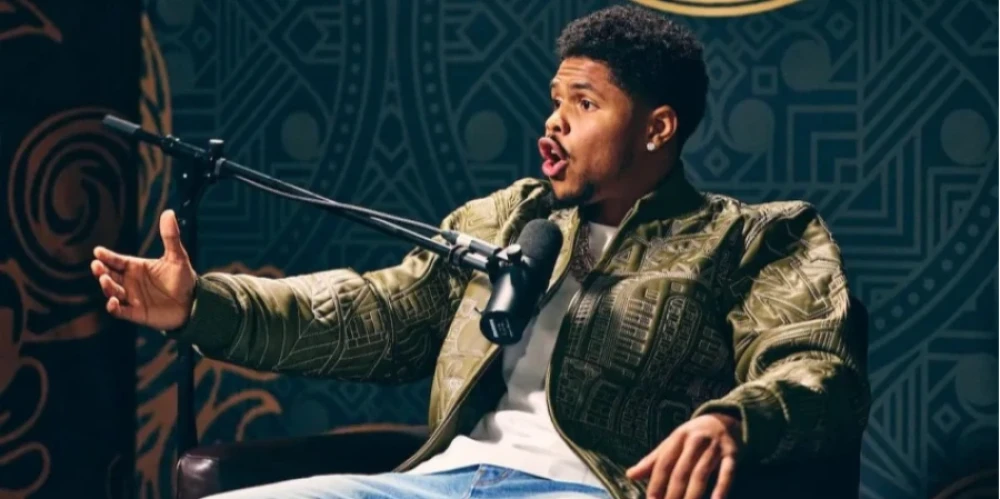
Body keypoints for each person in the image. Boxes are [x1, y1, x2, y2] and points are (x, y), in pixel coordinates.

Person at [92, 5, 869, 499]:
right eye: (555, 101)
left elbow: (816, 369)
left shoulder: (754, 237)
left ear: (657, 128)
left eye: (585, 103)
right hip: (441, 479)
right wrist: (201, 304)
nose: (554, 122)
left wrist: (733, 418)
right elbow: (375, 312)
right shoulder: (508, 219)